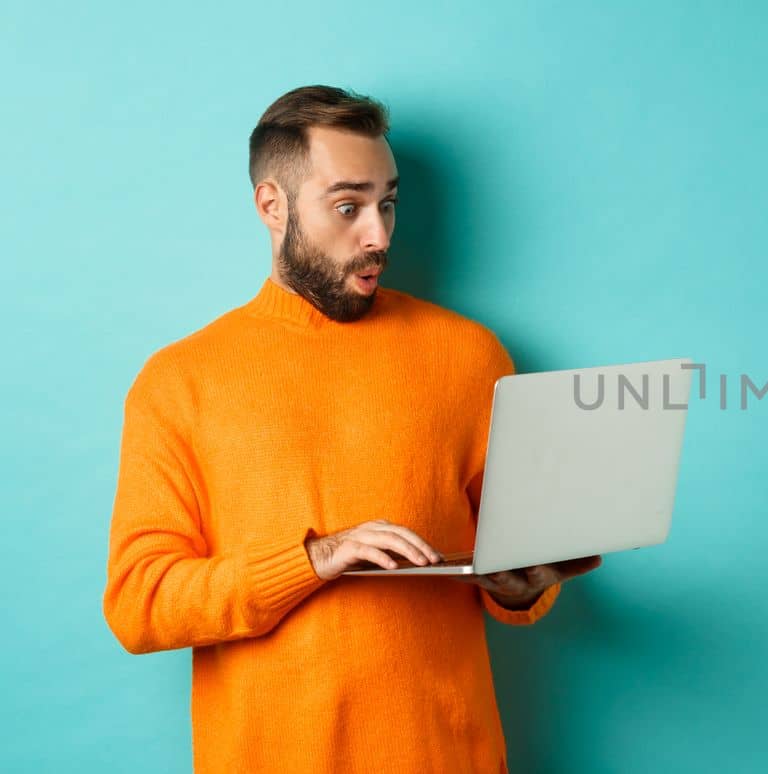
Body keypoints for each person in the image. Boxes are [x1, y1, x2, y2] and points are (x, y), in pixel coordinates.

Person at [101, 84, 602, 773]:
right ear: (272, 207)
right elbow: (141, 602)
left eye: (388, 203)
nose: (379, 235)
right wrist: (313, 560)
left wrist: (525, 587)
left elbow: (517, 568)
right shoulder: (179, 381)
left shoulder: (471, 356)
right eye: (348, 207)